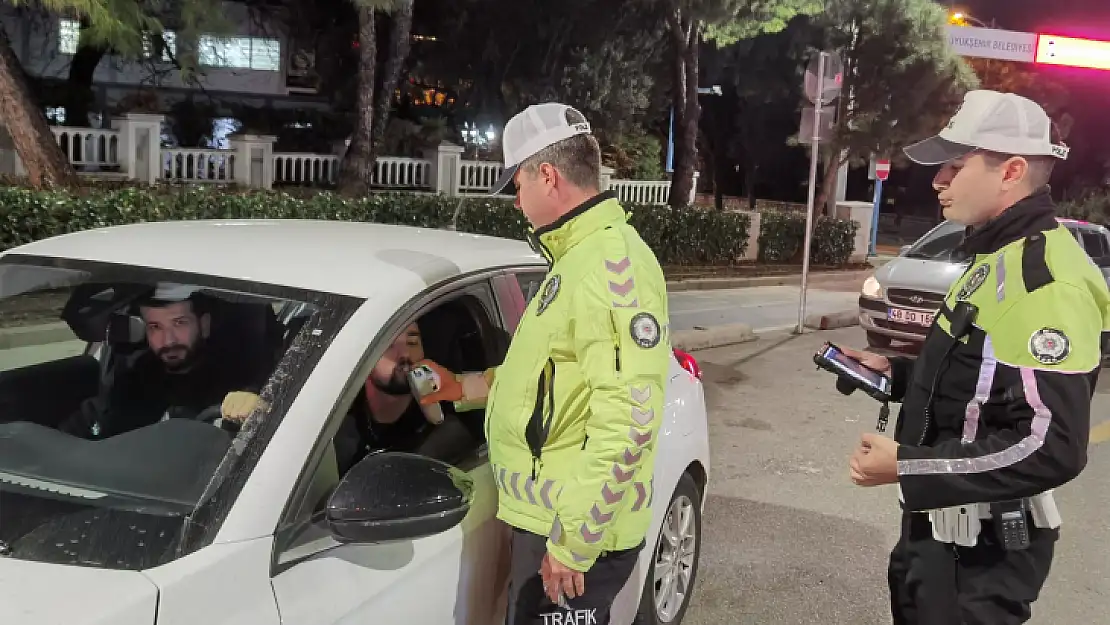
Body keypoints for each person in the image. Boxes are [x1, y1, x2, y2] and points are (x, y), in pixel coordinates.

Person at [834, 90, 1110, 624]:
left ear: (1010, 172)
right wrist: (897, 373)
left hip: (979, 557)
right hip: (941, 537)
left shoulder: (1043, 281)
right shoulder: (996, 257)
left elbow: (1049, 445)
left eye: (955, 166)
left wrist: (908, 466)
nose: (938, 181)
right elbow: (983, 380)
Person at [417, 102, 671, 625]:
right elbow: (545, 380)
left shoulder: (608, 269)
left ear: (548, 176)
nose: (516, 201)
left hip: (571, 534)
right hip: (554, 522)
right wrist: (461, 387)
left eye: (517, 185)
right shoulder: (577, 259)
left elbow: (629, 420)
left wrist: (574, 544)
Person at [59, 286, 265, 439]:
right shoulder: (133, 379)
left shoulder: (239, 379)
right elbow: (88, 425)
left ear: (204, 325)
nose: (168, 340)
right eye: (155, 327)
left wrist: (251, 405)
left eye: (179, 323)